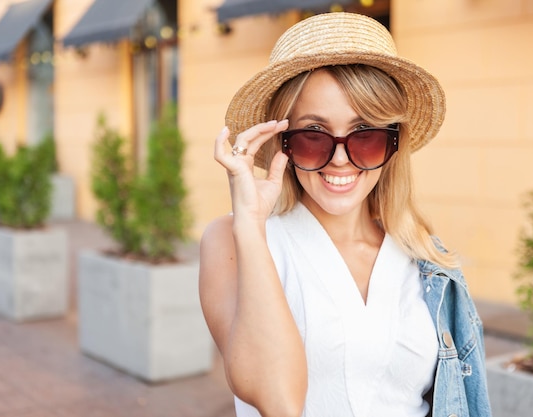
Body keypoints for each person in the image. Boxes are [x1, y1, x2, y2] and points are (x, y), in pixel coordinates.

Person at [199, 12, 491, 417]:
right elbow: (278, 402)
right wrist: (250, 224)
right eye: (312, 137)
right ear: (281, 144)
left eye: (366, 136)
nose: (340, 161)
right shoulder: (232, 239)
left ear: (393, 145)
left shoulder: (426, 258)